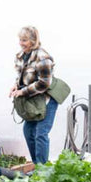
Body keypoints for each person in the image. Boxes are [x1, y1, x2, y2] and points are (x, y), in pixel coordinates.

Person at [9, 26, 59, 164]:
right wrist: (15, 86)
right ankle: (37, 165)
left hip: (46, 100)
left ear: (33, 41)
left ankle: (42, 170)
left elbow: (44, 83)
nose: (21, 43)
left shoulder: (43, 57)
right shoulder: (21, 56)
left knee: (40, 134)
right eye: (20, 39)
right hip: (33, 100)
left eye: (24, 40)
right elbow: (21, 76)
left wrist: (22, 91)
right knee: (28, 132)